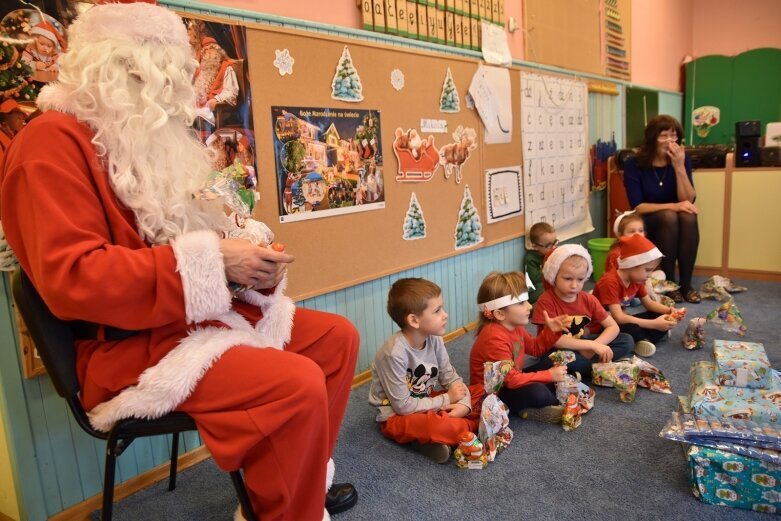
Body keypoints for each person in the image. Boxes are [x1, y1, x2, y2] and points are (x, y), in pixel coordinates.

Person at [0, 3, 358, 520]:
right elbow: (76, 279)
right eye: (169, 81)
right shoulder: (48, 146)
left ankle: (286, 490)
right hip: (120, 349)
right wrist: (216, 262)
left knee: (335, 339)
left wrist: (244, 258)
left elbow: (174, 244)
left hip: (176, 322)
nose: (181, 98)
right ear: (123, 71)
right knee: (295, 383)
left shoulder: (136, 142)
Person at [368, 278, 481, 464]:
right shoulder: (393, 354)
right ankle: (470, 427)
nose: (445, 315)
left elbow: (450, 377)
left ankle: (459, 427)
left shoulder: (434, 338)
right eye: (437, 311)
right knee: (439, 426)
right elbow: (402, 407)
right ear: (414, 320)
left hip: (426, 400)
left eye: (442, 308)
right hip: (396, 415)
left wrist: (464, 405)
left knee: (480, 391)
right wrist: (447, 400)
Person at [469, 272, 571, 423]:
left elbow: (536, 348)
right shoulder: (494, 338)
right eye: (521, 302)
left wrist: (553, 330)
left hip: (512, 379)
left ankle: (542, 400)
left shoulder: (514, 326)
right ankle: (544, 403)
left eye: (527, 300)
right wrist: (549, 376)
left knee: (554, 360)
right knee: (538, 392)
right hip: (494, 395)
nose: (530, 306)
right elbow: (510, 380)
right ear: (500, 314)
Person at [623, 115, 701, 304]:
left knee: (688, 217)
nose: (669, 141)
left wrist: (679, 167)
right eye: (663, 136)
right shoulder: (634, 163)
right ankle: (669, 283)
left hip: (676, 218)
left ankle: (686, 285)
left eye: (673, 136)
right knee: (669, 216)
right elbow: (638, 206)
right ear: (652, 139)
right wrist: (674, 206)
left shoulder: (682, 160)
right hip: (647, 218)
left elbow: (688, 199)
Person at [530, 244, 634, 379]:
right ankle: (596, 369)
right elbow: (556, 341)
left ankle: (584, 369)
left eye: (580, 279)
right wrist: (590, 346)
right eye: (568, 279)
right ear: (554, 275)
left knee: (627, 340)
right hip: (557, 349)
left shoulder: (588, 299)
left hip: (584, 344)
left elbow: (613, 327)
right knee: (559, 357)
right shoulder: (546, 301)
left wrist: (595, 345)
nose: (574, 285)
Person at [593, 235, 682, 358]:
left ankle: (644, 339)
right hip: (603, 326)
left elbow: (649, 304)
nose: (649, 275)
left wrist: (670, 311)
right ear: (632, 265)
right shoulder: (609, 282)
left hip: (619, 320)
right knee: (630, 328)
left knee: (659, 315)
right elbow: (619, 318)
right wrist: (654, 325)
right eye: (647, 270)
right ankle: (644, 339)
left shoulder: (637, 280)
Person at [187, 18, 239, 128]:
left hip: (214, 114)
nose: (210, 55)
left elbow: (231, 92)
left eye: (212, 50)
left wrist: (216, 100)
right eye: (206, 52)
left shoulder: (227, 67)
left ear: (219, 52)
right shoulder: (199, 70)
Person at [524, 221, 558, 304]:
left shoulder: (556, 253)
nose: (554, 247)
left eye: (555, 242)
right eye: (549, 245)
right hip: (535, 290)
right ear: (535, 246)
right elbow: (535, 279)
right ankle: (534, 308)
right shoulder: (531, 258)